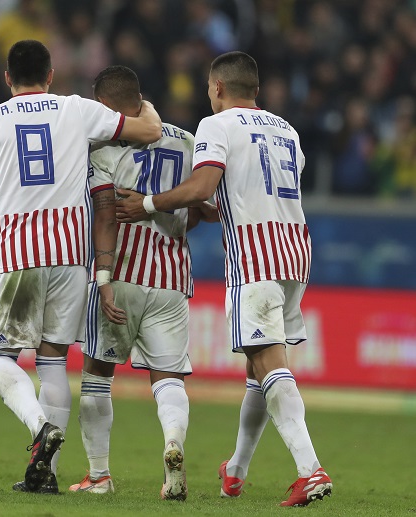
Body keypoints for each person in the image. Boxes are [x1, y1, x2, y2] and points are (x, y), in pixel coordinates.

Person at [116, 51, 333, 507]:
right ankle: (234, 470)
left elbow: (202, 187)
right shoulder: (287, 131)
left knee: (271, 364)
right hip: (296, 252)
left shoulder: (217, 126)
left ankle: (310, 470)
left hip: (255, 257)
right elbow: (248, 192)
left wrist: (149, 204)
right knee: (257, 367)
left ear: (217, 87)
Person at [0, 40, 162, 494]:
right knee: (52, 361)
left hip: (15, 253)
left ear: (8, 78)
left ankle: (39, 428)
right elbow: (147, 131)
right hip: (70, 256)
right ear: (50, 74)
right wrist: (147, 106)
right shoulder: (76, 109)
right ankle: (45, 473)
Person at [68, 65, 215, 500]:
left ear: (109, 105)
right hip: (171, 277)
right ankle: (173, 443)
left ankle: (98, 476)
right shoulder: (186, 141)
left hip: (124, 273)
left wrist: (104, 277)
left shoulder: (106, 149)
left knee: (97, 372)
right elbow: (208, 208)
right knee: (167, 378)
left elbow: (104, 215)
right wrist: (172, 219)